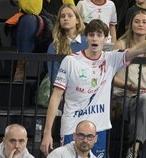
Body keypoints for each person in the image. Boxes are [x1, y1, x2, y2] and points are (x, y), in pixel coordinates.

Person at [40, 19, 146, 157]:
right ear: (86, 37)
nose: (95, 38)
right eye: (91, 35)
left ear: (106, 38)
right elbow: (55, 97)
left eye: (99, 34)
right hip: (72, 128)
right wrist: (47, 133)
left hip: (98, 129)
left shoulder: (111, 58)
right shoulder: (70, 61)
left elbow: (139, 48)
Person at [113, 10, 146, 158]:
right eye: (137, 21)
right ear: (131, 25)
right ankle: (135, 147)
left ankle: (135, 146)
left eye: (145, 22)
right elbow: (110, 76)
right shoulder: (120, 44)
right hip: (123, 96)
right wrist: (131, 86)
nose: (141, 25)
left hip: (143, 98)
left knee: (144, 100)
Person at [47, 3, 88, 82]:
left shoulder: (87, 42)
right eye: (62, 16)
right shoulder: (54, 46)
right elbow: (54, 76)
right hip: (63, 90)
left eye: (70, 15)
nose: (65, 18)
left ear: (77, 20)